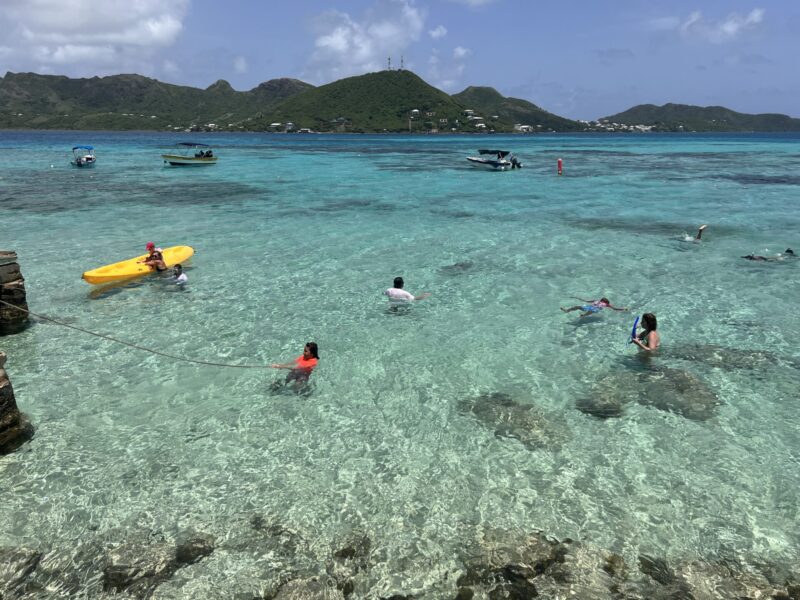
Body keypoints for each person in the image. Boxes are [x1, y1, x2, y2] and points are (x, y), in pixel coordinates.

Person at [561, 296, 627, 317]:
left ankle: (583, 315)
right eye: (602, 300)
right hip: (589, 307)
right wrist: (576, 298)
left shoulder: (607, 305)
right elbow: (585, 300)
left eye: (603, 301)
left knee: (592, 310)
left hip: (596, 309)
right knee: (578, 306)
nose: (602, 301)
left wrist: (623, 309)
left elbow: (615, 308)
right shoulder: (595, 300)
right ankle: (566, 310)